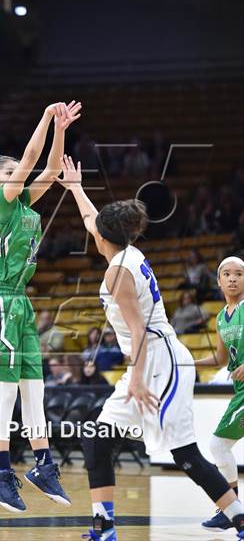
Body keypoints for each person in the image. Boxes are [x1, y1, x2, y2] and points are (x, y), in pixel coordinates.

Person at [54, 156, 244, 540]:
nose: (93, 232)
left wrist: (137, 380)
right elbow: (94, 221)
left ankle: (240, 519)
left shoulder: (118, 271)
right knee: (97, 438)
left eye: (96, 231)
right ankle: (104, 527)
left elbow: (138, 329)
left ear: (104, 238)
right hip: (146, 360)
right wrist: (75, 187)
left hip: (160, 359)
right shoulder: (122, 251)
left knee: (185, 454)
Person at [0, 101, 81, 513]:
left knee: (35, 388)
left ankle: (43, 463)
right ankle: (0, 470)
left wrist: (61, 130)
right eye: (10, 170)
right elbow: (33, 160)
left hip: (20, 301)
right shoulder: (1, 202)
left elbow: (49, 169)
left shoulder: (25, 205)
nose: (19, 173)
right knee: (6, 392)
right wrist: (46, 117)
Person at [196, 256, 244, 532]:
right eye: (227, 274)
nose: (233, 278)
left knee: (217, 445)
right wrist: (185, 362)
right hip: (239, 392)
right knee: (219, 446)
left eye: (239, 273)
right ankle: (232, 510)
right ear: (218, 281)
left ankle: (231, 510)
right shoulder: (220, 318)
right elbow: (219, 358)